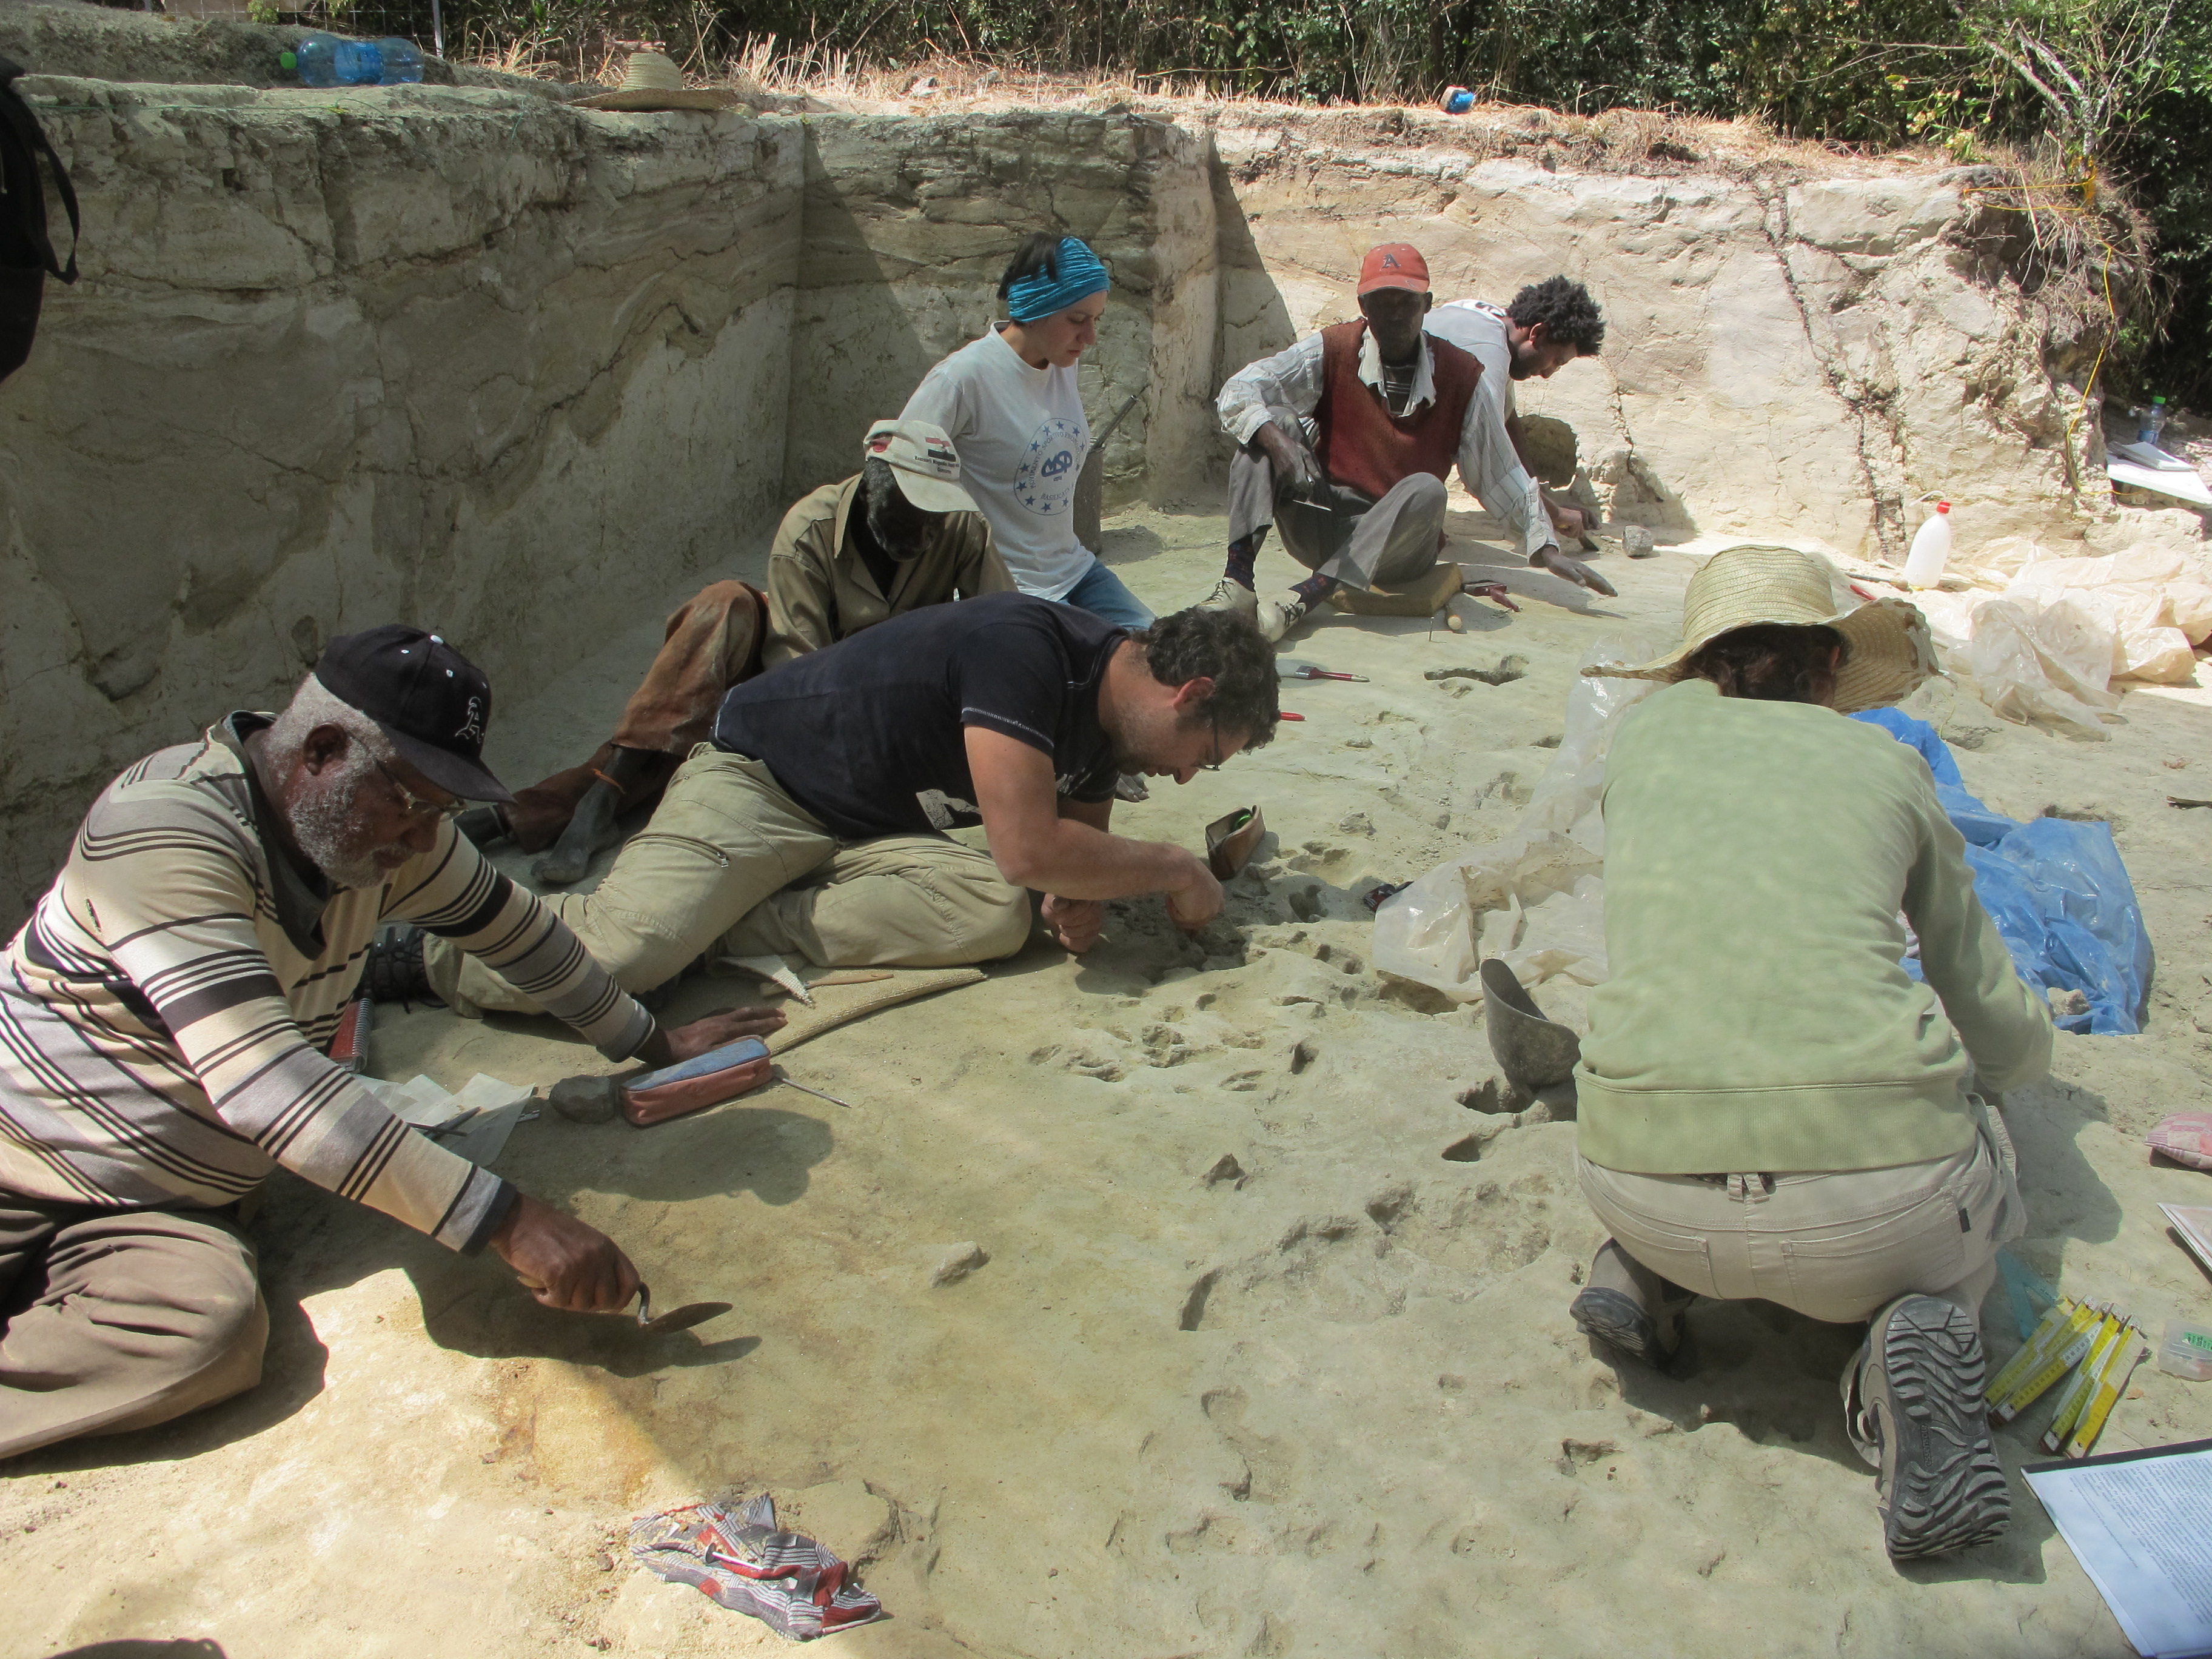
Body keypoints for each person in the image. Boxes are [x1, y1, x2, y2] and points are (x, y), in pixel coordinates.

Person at [0, 627, 778, 1460]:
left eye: (443, 812)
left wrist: (651, 1041)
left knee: (212, 1339)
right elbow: (273, 1090)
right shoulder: (166, 834)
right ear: (323, 752)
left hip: (162, 1206)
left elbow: (520, 935)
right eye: (411, 802)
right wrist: (512, 1221)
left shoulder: (388, 837)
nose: (422, 839)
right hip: (18, 1152)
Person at [1563, 546, 2051, 1561]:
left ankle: (1643, 1275)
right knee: (1991, 1152)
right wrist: (2016, 1076)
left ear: (1699, 667)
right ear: (1829, 669)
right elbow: (1990, 1018)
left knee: (1681, 1078)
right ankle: (1902, 1345)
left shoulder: (1642, 741)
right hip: (1875, 1219)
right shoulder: (1886, 763)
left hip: (1639, 1180)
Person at [373, 596, 1279, 1021]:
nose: (1192, 780)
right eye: (1205, 755)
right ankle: (423, 962)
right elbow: (1032, 847)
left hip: (875, 827)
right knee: (624, 957)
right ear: (1186, 691)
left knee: (1006, 916)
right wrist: (1174, 868)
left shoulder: (1110, 726)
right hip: (765, 784)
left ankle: (722, 930)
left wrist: (1078, 905)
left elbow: (1063, 868)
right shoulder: (1029, 652)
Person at [464, 420, 1014, 888]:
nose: (924, 533)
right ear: (873, 487)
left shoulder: (961, 528)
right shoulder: (810, 528)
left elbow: (1006, 632)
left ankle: (529, 812)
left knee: (680, 751)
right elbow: (802, 676)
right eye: (910, 514)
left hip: (900, 695)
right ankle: (600, 800)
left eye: (934, 516)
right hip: (794, 689)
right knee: (722, 605)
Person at [1204, 243, 1615, 643]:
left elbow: (1500, 470)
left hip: (1397, 551)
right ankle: (1237, 581)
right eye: (1383, 303)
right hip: (1322, 524)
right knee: (1267, 420)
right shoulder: (1332, 348)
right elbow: (1240, 389)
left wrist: (1546, 548)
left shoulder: (1462, 374)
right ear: (1364, 306)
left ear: (1427, 304)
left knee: (1428, 490)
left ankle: (1303, 600)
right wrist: (1274, 438)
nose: (1396, 315)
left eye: (1408, 303)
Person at [899, 233, 1153, 634]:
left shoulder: (1061, 363)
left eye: (1095, 320)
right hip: (1010, 589)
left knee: (1159, 653)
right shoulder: (963, 379)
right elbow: (895, 471)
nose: (1090, 338)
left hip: (1073, 569)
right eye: (1077, 320)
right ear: (1037, 309)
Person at [1423, 276, 1608, 546]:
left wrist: (1542, 500)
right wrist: (1552, 516)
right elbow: (1490, 458)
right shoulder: (1488, 353)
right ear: (1538, 334)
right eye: (1556, 361)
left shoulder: (1488, 318)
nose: (1547, 373)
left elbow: (1507, 419)